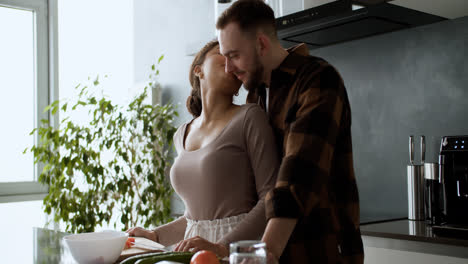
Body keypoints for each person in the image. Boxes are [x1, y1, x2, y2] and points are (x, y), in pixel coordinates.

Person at [216, 0, 364, 263]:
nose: (228, 68)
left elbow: (299, 176)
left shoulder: (318, 79)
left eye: (234, 55)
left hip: (322, 252)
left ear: (261, 44)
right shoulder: (256, 95)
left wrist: (266, 252)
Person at [127, 40, 279, 258]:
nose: (230, 62)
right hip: (194, 253)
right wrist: (154, 236)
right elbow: (196, 220)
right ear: (198, 70)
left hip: (237, 253)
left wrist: (221, 248)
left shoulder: (250, 117)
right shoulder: (182, 133)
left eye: (236, 58)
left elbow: (270, 197)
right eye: (222, 54)